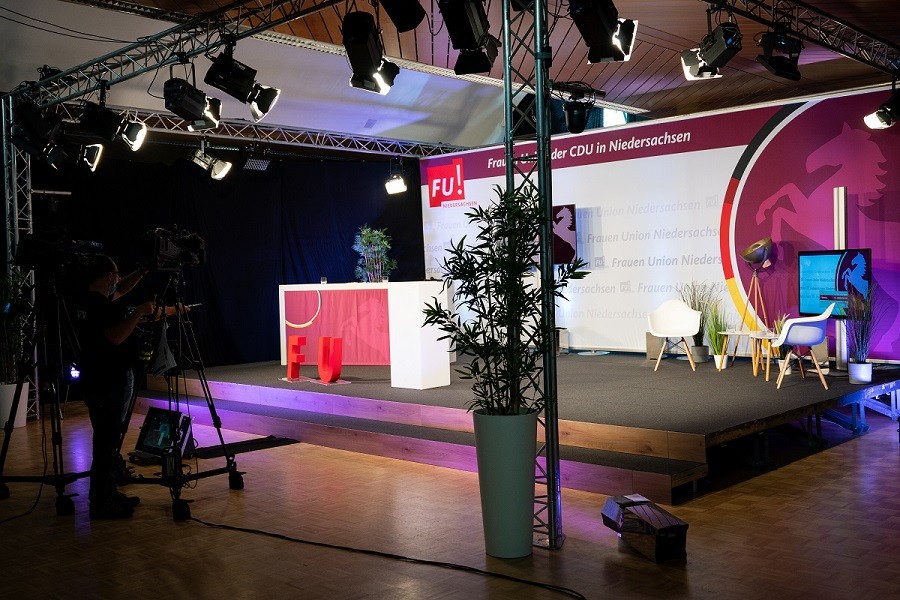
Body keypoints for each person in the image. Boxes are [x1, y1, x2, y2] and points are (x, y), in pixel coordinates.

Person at [75, 254, 156, 519]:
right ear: (109, 275)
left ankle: (108, 494)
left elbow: (120, 289)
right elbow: (115, 336)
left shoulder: (87, 301)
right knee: (106, 444)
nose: (118, 279)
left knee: (106, 443)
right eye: (116, 274)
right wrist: (139, 312)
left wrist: (142, 271)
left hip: (95, 381)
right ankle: (101, 502)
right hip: (107, 383)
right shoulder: (99, 305)